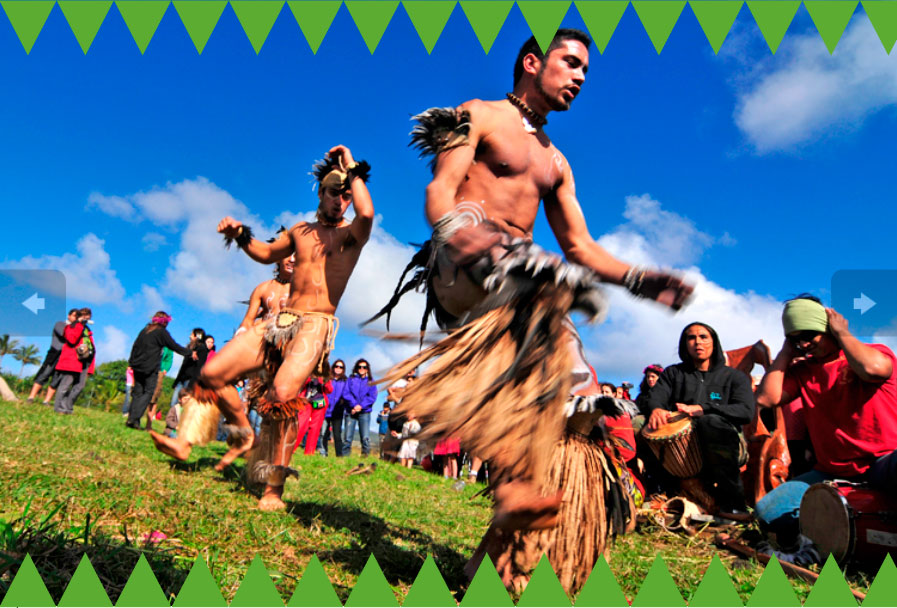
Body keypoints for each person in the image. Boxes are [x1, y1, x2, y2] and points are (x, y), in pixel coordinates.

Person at [369, 29, 693, 593]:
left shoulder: (555, 161)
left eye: (586, 71)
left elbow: (581, 247)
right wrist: (456, 232)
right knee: (541, 279)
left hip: (523, 288)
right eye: (571, 63)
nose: (580, 77)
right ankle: (514, 493)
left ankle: (497, 552)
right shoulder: (480, 115)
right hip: (462, 261)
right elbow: (441, 188)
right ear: (531, 62)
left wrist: (642, 280)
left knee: (579, 400)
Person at [215, 144, 373, 509]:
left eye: (346, 195)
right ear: (321, 193)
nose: (341, 201)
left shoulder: (352, 236)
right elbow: (265, 253)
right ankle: (252, 450)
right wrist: (240, 234)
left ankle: (274, 489)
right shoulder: (300, 231)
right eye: (335, 192)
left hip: (316, 323)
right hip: (279, 324)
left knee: (285, 396)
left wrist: (351, 167)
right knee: (263, 398)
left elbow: (367, 211)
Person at [754, 296, 897, 547]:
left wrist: (843, 333)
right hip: (831, 471)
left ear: (827, 328)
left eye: (810, 334)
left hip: (883, 461)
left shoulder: (873, 353)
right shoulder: (802, 372)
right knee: (768, 511)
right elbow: (766, 399)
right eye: (796, 339)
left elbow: (872, 369)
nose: (805, 344)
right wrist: (786, 351)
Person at [150, 254, 293, 468]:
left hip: (287, 351)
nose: (292, 259)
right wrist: (240, 337)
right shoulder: (263, 288)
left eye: (297, 256)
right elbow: (248, 319)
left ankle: (262, 461)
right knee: (211, 379)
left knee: (275, 410)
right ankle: (184, 442)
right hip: (258, 343)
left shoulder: (304, 289)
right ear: (279, 259)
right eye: (288, 254)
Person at [643, 322, 755, 514]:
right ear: (684, 344)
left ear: (714, 342)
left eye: (703, 337)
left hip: (724, 444)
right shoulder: (673, 373)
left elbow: (746, 411)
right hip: (680, 451)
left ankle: (734, 503)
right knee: (639, 425)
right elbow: (655, 397)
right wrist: (656, 409)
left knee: (710, 422)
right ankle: (657, 490)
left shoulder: (734, 377)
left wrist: (704, 409)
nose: (697, 342)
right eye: (691, 338)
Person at [126, 312, 193, 429]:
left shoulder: (146, 330)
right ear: (165, 322)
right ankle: (134, 418)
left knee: (138, 392)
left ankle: (132, 420)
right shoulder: (161, 332)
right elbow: (173, 345)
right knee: (148, 392)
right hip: (149, 367)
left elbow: (135, 346)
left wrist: (131, 362)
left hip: (137, 365)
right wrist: (190, 352)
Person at [27, 309, 77, 404]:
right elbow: (66, 335)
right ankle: (31, 397)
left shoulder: (76, 329)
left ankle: (46, 401)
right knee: (44, 374)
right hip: (54, 353)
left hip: (65, 357)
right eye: (74, 316)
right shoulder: (60, 324)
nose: (75, 318)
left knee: (56, 379)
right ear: (69, 316)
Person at [54, 308, 96, 415]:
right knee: (66, 384)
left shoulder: (87, 330)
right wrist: (78, 323)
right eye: (84, 316)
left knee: (79, 386)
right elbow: (72, 339)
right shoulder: (71, 326)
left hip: (84, 361)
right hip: (72, 360)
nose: (86, 319)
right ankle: (59, 408)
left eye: (88, 317)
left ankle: (68, 407)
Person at [341, 359, 378, 457]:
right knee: (347, 437)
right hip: (350, 411)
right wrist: (354, 405)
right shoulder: (351, 379)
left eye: (364, 367)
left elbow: (372, 397)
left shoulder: (371, 381)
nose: (362, 369)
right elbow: (346, 393)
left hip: (364, 412)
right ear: (356, 368)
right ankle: (345, 459)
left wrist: (360, 406)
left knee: (365, 437)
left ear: (367, 369)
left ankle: (365, 458)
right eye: (359, 367)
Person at [169, 328, 208, 408]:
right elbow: (183, 366)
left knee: (184, 404)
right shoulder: (189, 349)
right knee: (174, 403)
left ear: (196, 336)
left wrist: (191, 384)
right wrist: (176, 381)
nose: (190, 336)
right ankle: (172, 419)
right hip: (182, 379)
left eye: (191, 334)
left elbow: (199, 368)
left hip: (190, 380)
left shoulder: (202, 350)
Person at [319, 359, 348, 457]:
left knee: (337, 434)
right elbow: (321, 392)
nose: (338, 368)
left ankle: (339, 455)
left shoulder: (345, 381)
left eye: (341, 367)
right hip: (325, 410)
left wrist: (343, 402)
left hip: (338, 411)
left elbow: (347, 394)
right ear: (333, 367)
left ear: (343, 369)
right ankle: (323, 453)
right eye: (336, 366)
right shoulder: (327, 379)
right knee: (323, 433)